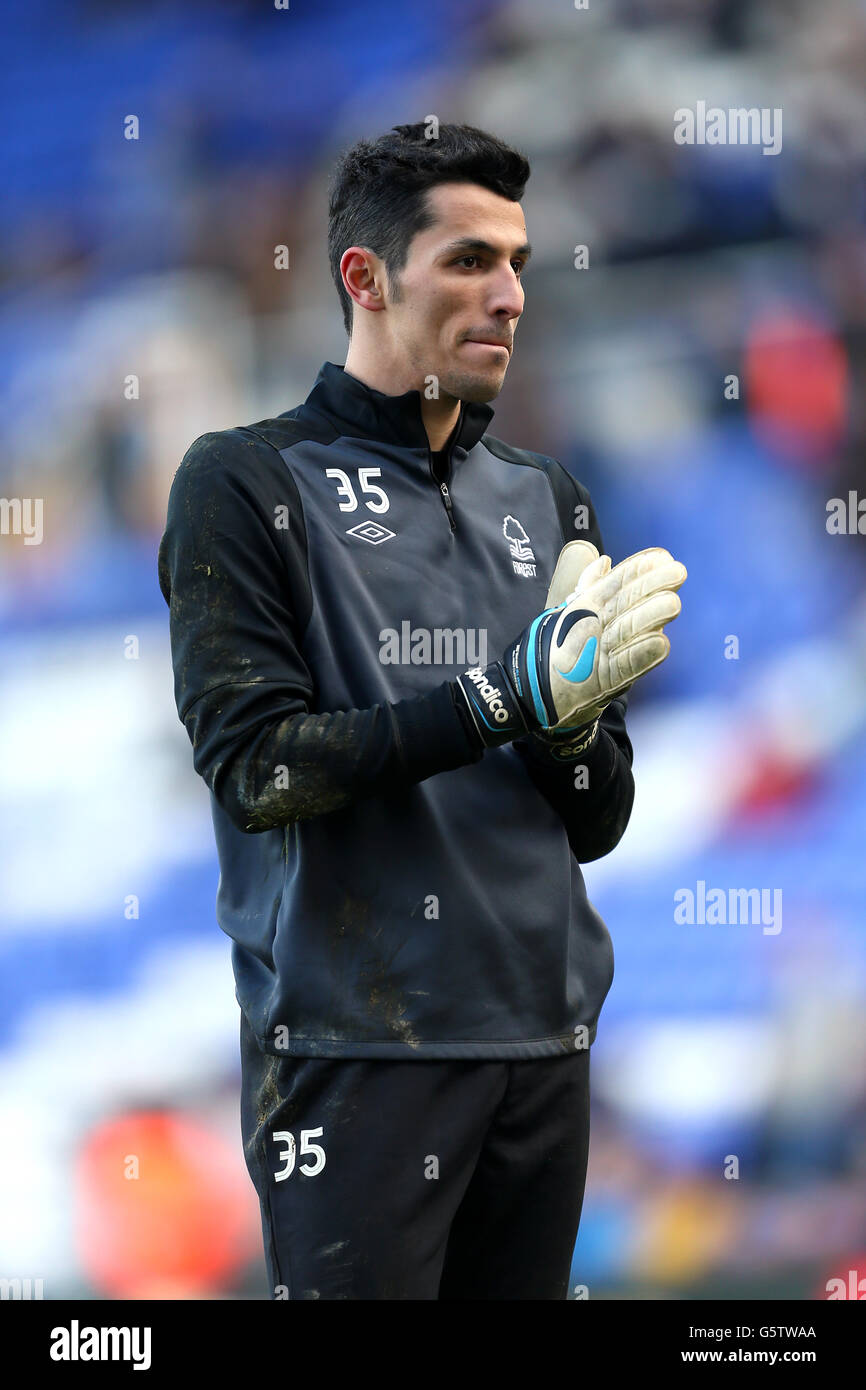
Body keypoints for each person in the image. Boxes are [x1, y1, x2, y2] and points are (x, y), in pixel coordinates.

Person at [157, 121, 686, 1300]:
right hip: (355, 1057)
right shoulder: (241, 482)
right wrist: (506, 696)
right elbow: (259, 769)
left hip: (541, 1045)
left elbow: (596, 821)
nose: (507, 296)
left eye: (516, 264)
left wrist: (564, 733)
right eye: (466, 260)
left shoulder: (547, 496)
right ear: (364, 277)